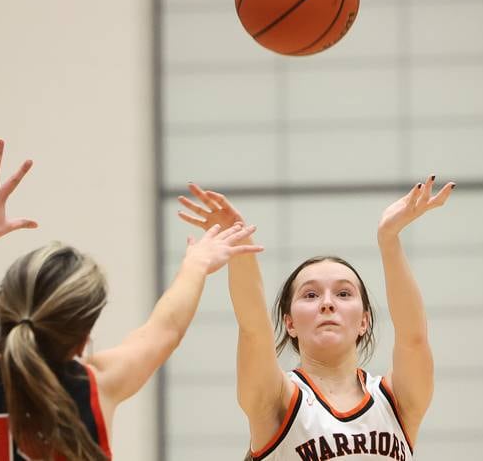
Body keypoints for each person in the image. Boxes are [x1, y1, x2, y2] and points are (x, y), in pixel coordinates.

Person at [0, 140, 263, 461]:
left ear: (3, 306)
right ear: (82, 340)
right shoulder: (95, 387)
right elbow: (166, 329)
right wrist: (197, 263)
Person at [178, 175, 454, 460]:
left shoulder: (396, 401)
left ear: (364, 321)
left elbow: (414, 338)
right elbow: (253, 329)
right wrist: (240, 246)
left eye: (344, 294)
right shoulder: (278, 400)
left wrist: (389, 239)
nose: (327, 304)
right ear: (290, 323)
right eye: (310, 295)